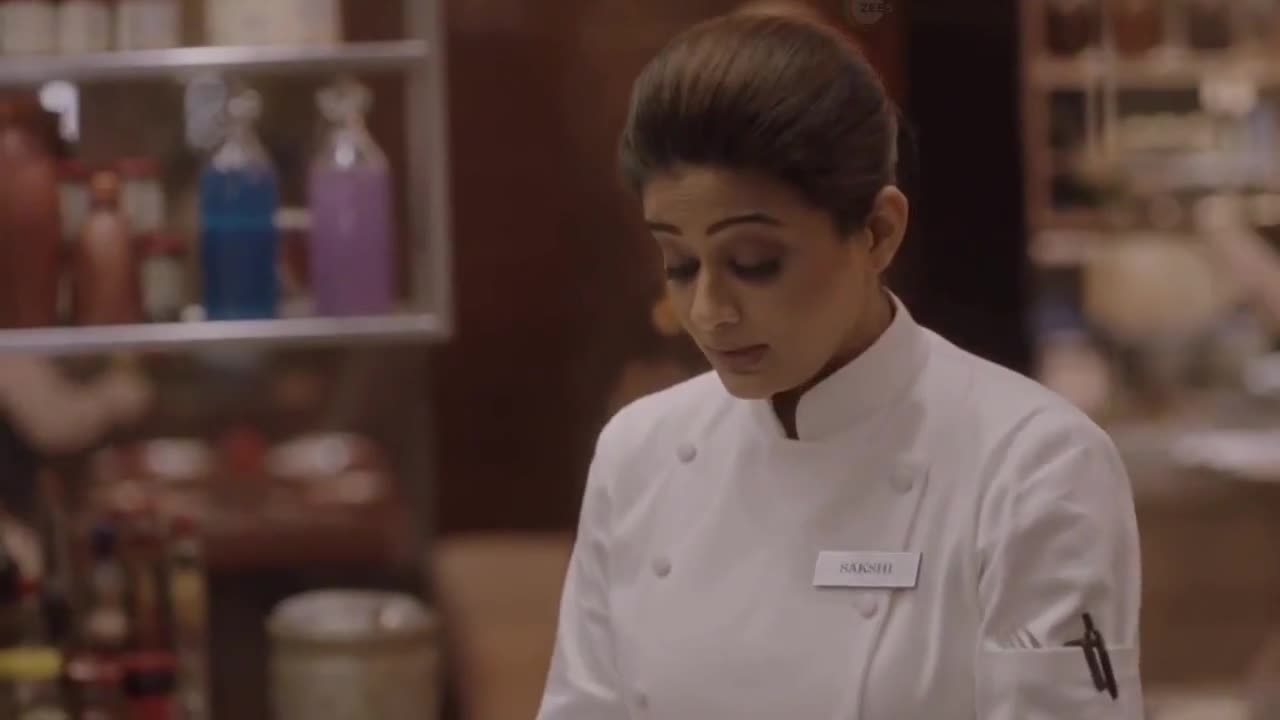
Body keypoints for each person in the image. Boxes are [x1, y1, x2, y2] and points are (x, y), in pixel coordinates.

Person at [538, 6, 1144, 719]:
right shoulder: (639, 452)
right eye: (679, 262)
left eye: (754, 262)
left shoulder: (1033, 465)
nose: (707, 311)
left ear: (879, 232)